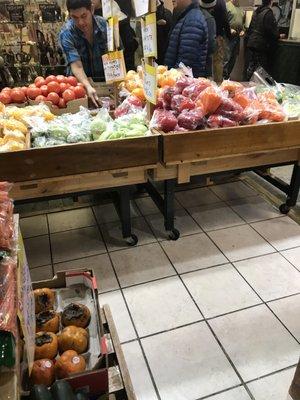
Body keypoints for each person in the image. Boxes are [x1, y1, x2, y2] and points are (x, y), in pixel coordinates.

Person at [59, 0, 107, 106]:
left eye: (84, 16)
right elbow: (77, 66)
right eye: (74, 17)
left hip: (106, 85)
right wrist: (88, 86)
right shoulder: (66, 33)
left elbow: (116, 55)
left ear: (92, 9)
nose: (80, 22)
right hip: (79, 89)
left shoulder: (105, 26)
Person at [164, 0, 208, 78]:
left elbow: (184, 64)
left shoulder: (193, 20)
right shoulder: (186, 16)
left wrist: (171, 80)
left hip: (185, 85)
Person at [93, 0, 138, 71]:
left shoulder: (114, 11)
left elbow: (129, 46)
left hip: (120, 68)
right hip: (97, 72)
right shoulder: (85, 14)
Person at [245, 0, 280, 80]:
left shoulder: (256, 11)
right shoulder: (268, 13)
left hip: (252, 42)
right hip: (261, 44)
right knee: (261, 69)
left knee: (251, 66)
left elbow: (250, 28)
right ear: (270, 2)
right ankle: (257, 88)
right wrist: (278, 35)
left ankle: (248, 85)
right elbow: (271, 31)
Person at [223, 0, 245, 79]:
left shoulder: (240, 9)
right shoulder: (226, 6)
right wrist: (229, 29)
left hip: (237, 38)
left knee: (233, 59)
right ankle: (222, 79)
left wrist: (243, 30)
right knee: (226, 59)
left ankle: (227, 78)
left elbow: (242, 24)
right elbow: (222, 22)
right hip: (228, 37)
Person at [211, 0, 231, 82]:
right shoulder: (221, 2)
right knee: (218, 64)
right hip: (217, 36)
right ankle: (217, 86)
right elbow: (225, 19)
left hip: (204, 34)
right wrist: (228, 35)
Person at [199, 0, 217, 78]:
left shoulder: (191, 13)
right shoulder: (209, 19)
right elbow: (210, 44)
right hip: (203, 63)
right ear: (212, 7)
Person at [156, 1, 173, 65]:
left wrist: (166, 23)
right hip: (151, 52)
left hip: (165, 52)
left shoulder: (167, 13)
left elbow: (171, 33)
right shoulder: (145, 15)